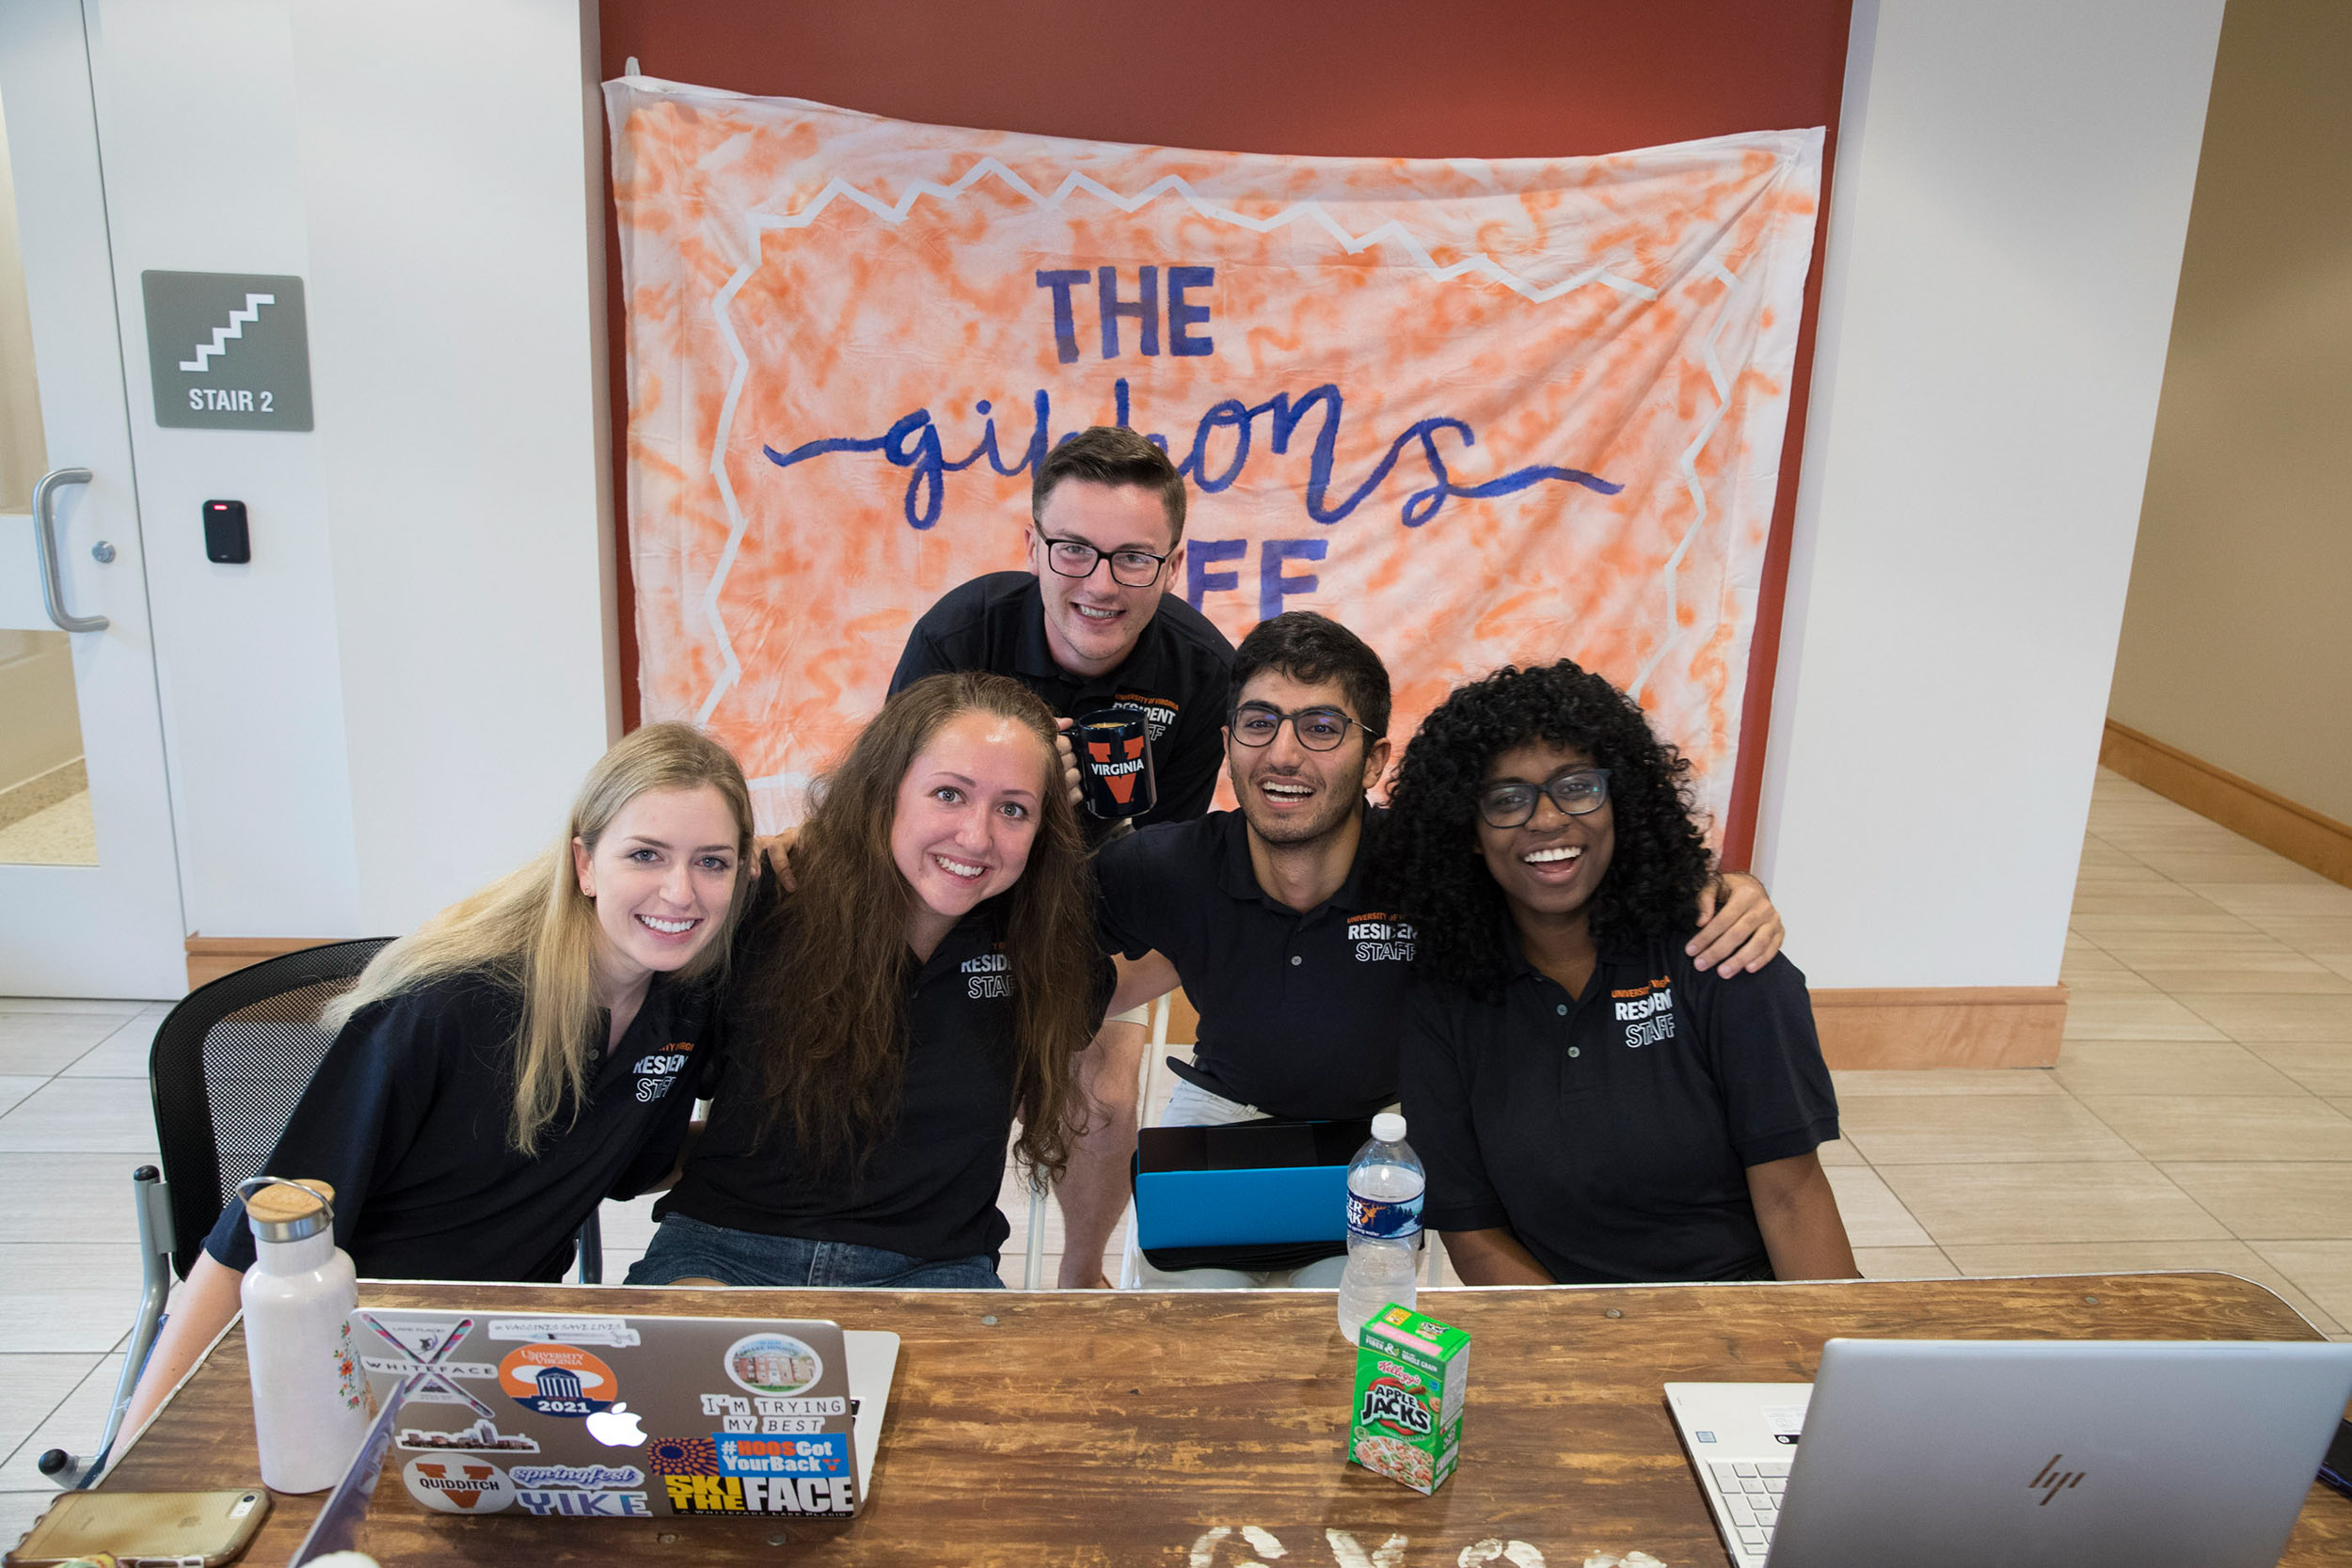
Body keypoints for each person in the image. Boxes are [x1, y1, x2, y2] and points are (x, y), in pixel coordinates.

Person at [1068, 613, 1788, 1289]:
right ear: (1228, 744)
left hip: (1383, 1132)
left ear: (1376, 758)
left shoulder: (1432, 863)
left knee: (1349, 1350)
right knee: (1179, 1347)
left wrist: (1728, 885)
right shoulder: (1167, 865)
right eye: (1259, 722)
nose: (1283, 752)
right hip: (1224, 1113)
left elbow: (1577, 878)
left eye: (1322, 726)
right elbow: (1032, 940)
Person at [121, 722, 755, 1433]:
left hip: (503, 1350)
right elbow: (257, 1234)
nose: (681, 891)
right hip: (358, 1346)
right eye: (646, 854)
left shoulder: (688, 995)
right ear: (584, 864)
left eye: (713, 862)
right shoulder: (450, 1004)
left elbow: (634, 1159)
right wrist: (134, 1460)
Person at [1376, 660, 1857, 1285]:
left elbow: (1792, 1197)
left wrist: (1823, 1363)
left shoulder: (1720, 952)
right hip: (1564, 1334)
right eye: (1507, 799)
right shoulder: (1443, 999)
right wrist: (1595, 1358)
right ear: (1468, 831)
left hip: (1745, 1318)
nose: (1546, 819)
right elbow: (1474, 1237)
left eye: (1576, 785)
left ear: (1618, 800)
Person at [887, 423, 1234, 1283]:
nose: (1100, 584)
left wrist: (1071, 974)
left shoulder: (1201, 674)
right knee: (929, 1070)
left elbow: (1158, 867)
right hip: (947, 897)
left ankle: (1082, 1275)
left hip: (1091, 907)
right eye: (1074, 550)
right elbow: (892, 818)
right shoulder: (960, 635)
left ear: (1172, 564)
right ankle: (912, 1243)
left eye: (1133, 558)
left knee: (1108, 1093)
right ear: (1033, 546)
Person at [629, 672, 1107, 1289]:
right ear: (886, 789)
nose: (976, 835)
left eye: (1013, 808)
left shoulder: (1045, 943)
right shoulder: (767, 898)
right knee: (685, 1377)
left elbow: (1189, 938)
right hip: (723, 1252)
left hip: (934, 1272)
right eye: (949, 794)